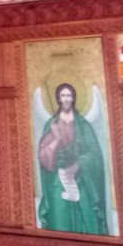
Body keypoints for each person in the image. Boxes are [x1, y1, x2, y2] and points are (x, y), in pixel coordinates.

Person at [37, 84, 109, 235]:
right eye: (63, 96)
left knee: (87, 214)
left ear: (73, 98)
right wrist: (56, 141)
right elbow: (43, 156)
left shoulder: (83, 125)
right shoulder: (52, 124)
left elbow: (94, 154)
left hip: (82, 178)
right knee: (59, 216)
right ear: (58, 98)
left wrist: (78, 165)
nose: (66, 99)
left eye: (69, 96)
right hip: (58, 180)